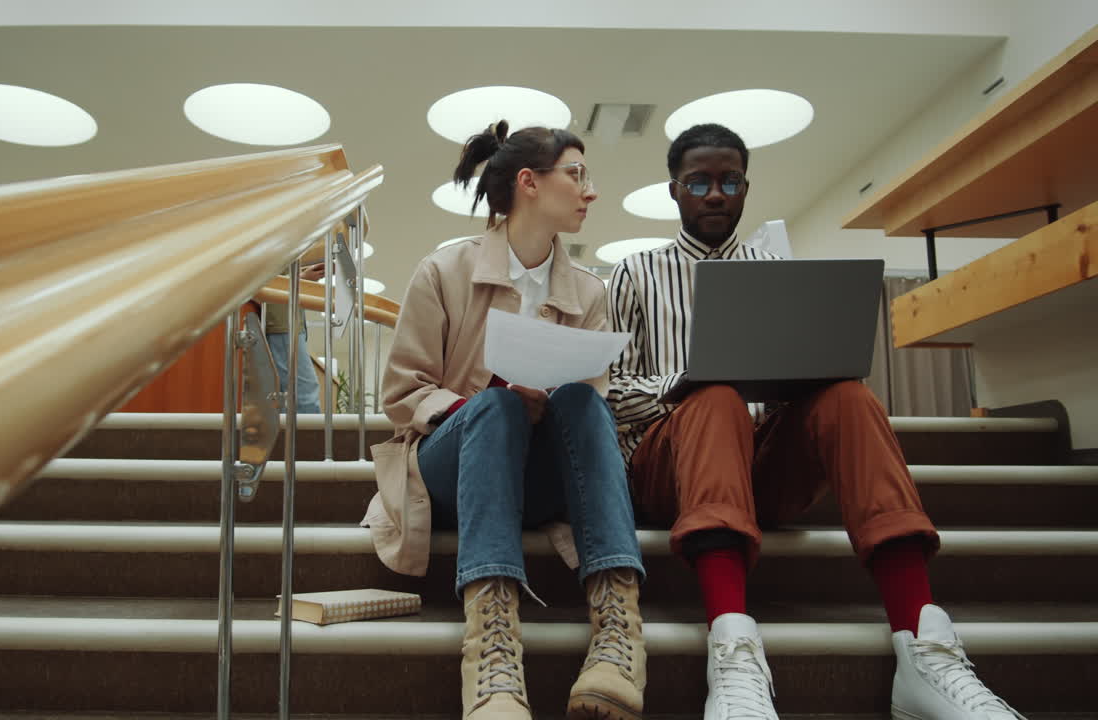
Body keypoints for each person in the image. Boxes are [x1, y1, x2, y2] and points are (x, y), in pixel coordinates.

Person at [606, 123, 1026, 720]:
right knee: (716, 394)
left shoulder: (775, 269)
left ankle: (926, 651)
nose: (716, 193)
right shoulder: (634, 272)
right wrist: (685, 384)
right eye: (699, 181)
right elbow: (609, 391)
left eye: (730, 181)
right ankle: (732, 649)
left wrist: (797, 378)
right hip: (667, 472)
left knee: (846, 396)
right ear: (675, 191)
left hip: (758, 469)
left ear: (746, 188)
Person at [361, 120, 647, 720]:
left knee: (583, 403)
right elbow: (402, 394)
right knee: (495, 406)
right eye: (576, 173)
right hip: (451, 465)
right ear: (529, 183)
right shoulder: (443, 271)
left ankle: (619, 635)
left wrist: (551, 400)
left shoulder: (590, 291)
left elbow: (587, 406)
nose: (589, 190)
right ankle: (491, 648)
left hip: (539, 472)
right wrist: (484, 403)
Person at [259, 262, 326, 413]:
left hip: (287, 320)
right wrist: (301, 278)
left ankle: (297, 436)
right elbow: (259, 282)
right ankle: (309, 437)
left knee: (294, 394)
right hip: (281, 321)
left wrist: (303, 276)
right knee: (304, 393)